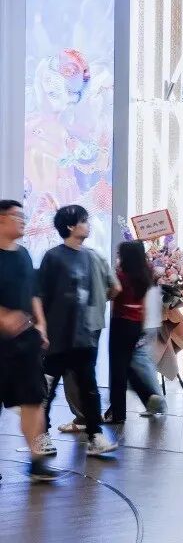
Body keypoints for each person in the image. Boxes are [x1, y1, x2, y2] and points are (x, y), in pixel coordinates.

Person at [38, 205, 117, 456]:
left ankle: (95, 435)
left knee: (89, 388)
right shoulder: (53, 257)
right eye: (84, 220)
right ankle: (41, 435)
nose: (88, 224)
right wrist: (42, 329)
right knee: (47, 390)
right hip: (57, 336)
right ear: (70, 226)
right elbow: (40, 295)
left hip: (83, 336)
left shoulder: (89, 256)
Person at [0, 200, 60, 481]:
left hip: (26, 342)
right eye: (17, 216)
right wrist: (4, 316)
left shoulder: (24, 254)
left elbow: (33, 292)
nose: (23, 220)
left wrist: (42, 325)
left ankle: (38, 462)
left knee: (33, 400)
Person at [105, 241, 166, 424]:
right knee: (127, 365)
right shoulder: (146, 273)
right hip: (137, 323)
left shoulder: (121, 275)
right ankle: (148, 396)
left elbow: (113, 293)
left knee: (118, 369)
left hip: (120, 322)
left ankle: (118, 414)